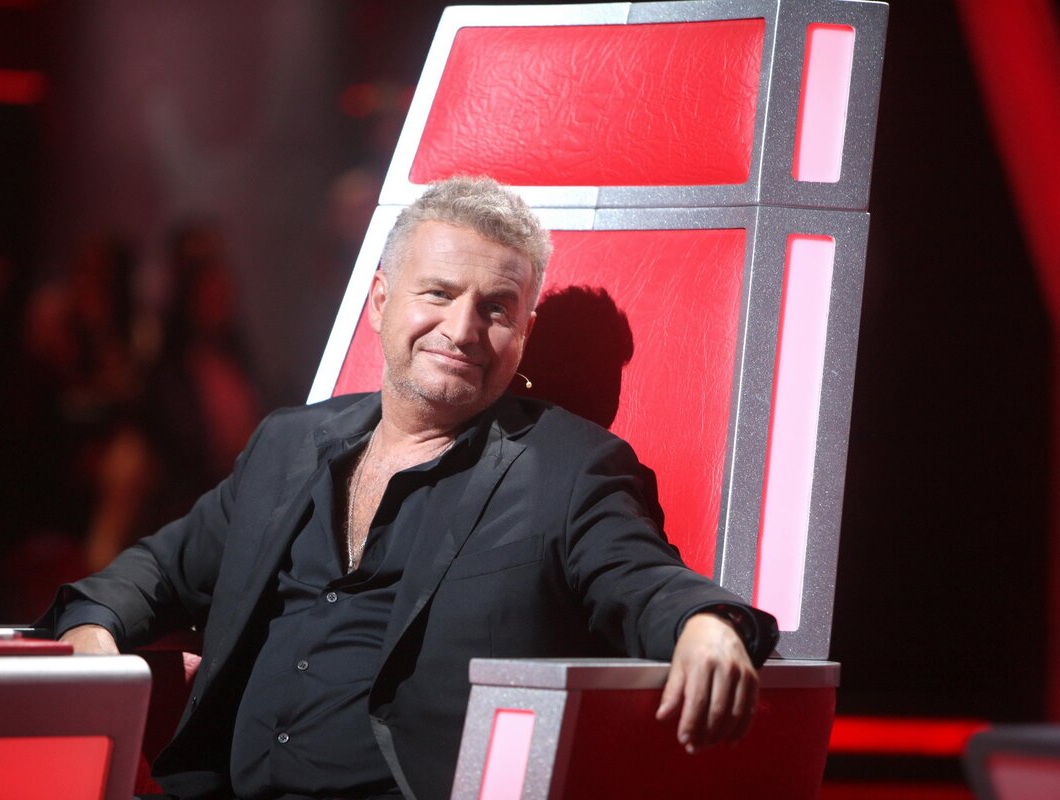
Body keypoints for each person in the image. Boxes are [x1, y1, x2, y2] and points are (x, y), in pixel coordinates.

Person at [46, 176, 779, 800]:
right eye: (439, 293)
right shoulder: (287, 445)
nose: (462, 329)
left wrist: (705, 624)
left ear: (523, 332)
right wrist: (93, 629)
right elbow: (157, 570)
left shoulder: (570, 469)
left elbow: (643, 579)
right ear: (381, 301)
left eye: (496, 308)